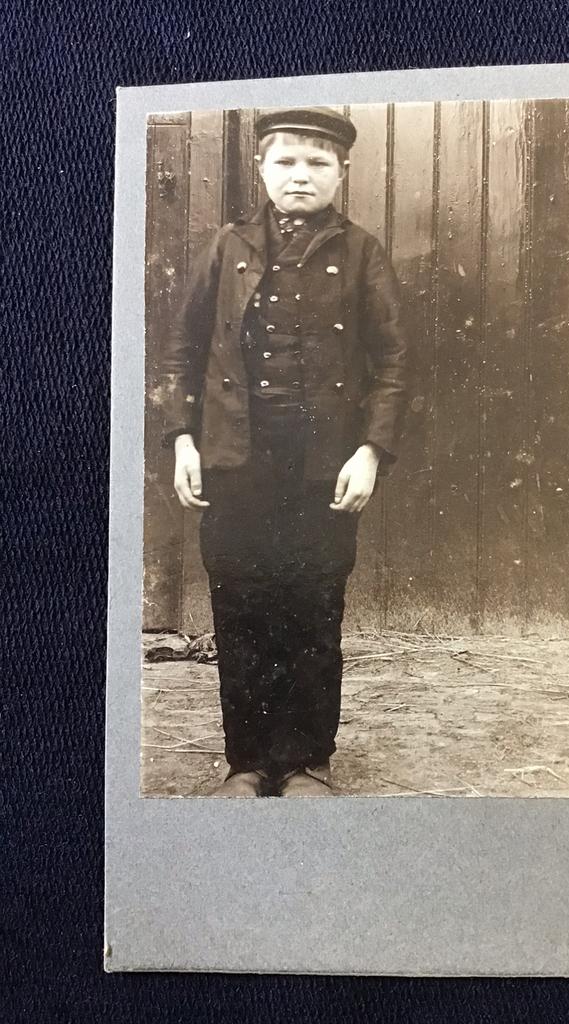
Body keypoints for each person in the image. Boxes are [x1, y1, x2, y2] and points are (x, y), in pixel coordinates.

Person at [157, 107, 408, 797]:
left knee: (312, 604)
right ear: (263, 169)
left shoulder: (363, 254)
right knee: (240, 605)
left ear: (341, 172)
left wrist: (371, 450)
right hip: (235, 461)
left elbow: (393, 365)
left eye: (317, 163)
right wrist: (181, 438)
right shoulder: (225, 246)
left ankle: (304, 762)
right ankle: (247, 761)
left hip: (321, 467)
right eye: (287, 162)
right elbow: (179, 353)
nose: (301, 175)